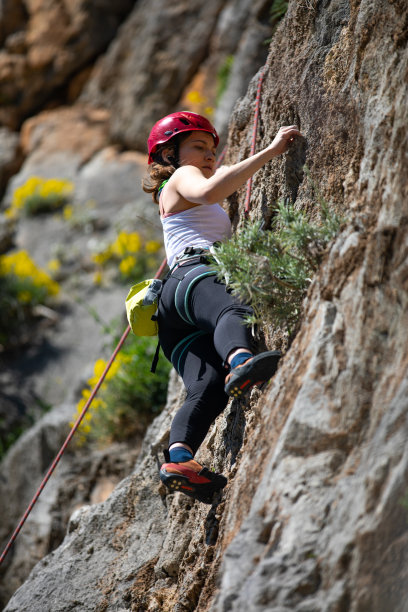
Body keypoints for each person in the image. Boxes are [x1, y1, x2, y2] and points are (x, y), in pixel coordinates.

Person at [143, 111, 301, 504]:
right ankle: (242, 359)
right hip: (195, 276)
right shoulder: (181, 177)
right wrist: (272, 150)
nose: (209, 154)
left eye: (212, 149)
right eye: (198, 146)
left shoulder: (177, 191)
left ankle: (179, 458)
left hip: (172, 307)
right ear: (169, 154)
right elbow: (212, 192)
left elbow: (209, 196)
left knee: (206, 386)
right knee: (232, 309)